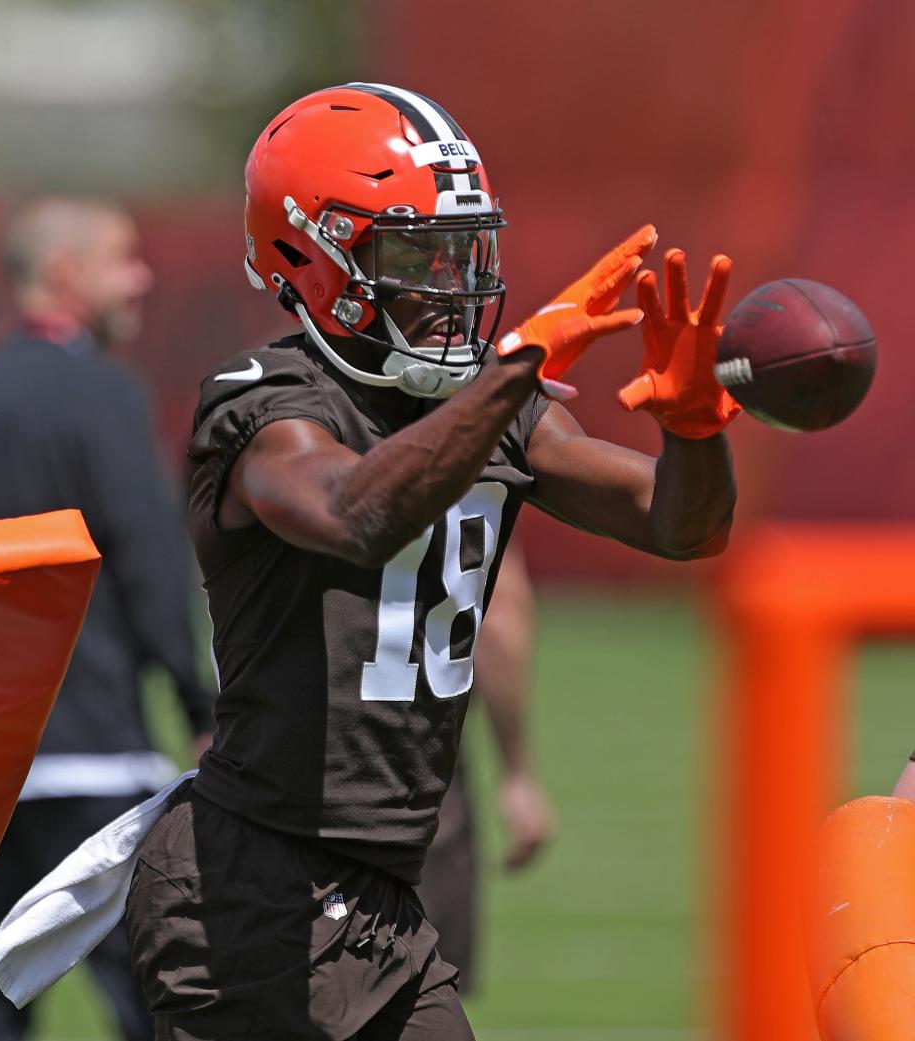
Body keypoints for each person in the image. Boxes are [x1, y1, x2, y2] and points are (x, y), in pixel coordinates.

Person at [124, 82, 739, 1041]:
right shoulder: (268, 404)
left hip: (383, 897)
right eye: (416, 254)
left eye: (464, 253)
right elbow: (353, 509)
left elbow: (681, 526)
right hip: (248, 887)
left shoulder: (501, 410)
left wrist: (698, 428)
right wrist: (513, 372)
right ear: (310, 259)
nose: (451, 285)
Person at [0, 197, 215, 1041]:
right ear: (66, 275)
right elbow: (148, 558)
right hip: (97, 753)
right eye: (121, 258)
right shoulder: (102, 393)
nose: (139, 277)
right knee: (153, 997)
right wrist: (200, 704)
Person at [417, 545, 553, 994]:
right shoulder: (463, 474)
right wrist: (517, 771)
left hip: (290, 765)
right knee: (419, 999)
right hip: (420, 771)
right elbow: (497, 612)